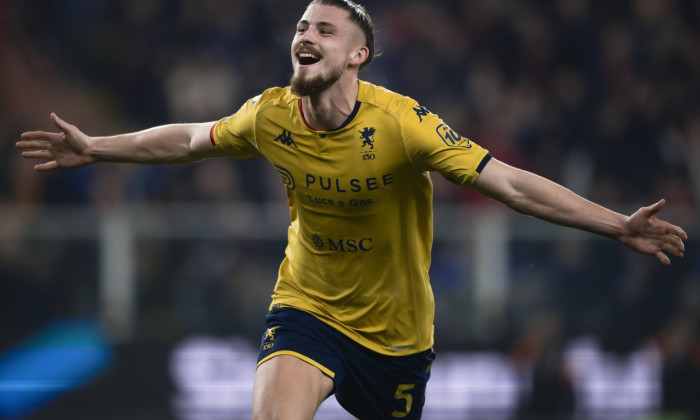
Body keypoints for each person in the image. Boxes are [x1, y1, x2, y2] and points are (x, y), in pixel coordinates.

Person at [16, 0, 688, 418]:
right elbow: (189, 140)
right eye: (301, 26)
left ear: (357, 54)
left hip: (397, 338)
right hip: (307, 309)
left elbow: (509, 184)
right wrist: (96, 148)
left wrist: (614, 223)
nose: (305, 35)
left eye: (324, 29)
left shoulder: (405, 124)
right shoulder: (269, 112)